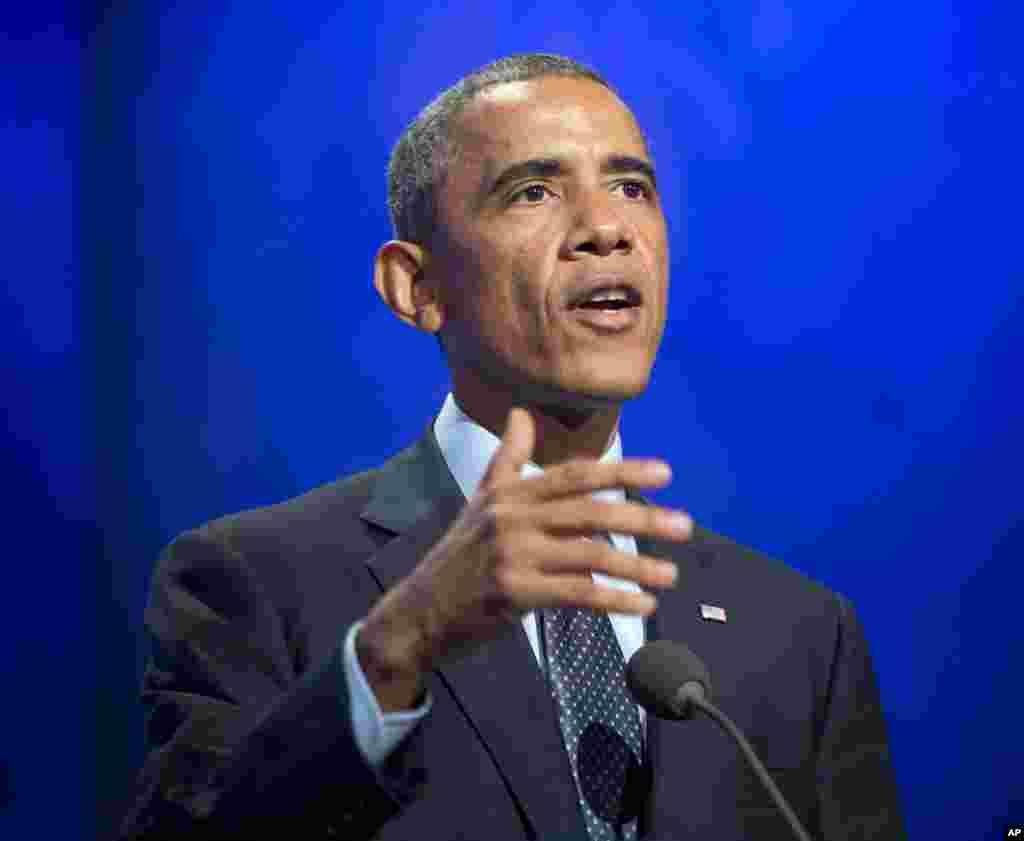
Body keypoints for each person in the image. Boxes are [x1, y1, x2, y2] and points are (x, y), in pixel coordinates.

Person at [119, 53, 904, 840]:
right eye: (533, 191)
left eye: (632, 187)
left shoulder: (801, 635)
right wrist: (398, 648)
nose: (606, 230)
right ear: (417, 288)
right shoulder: (253, 587)